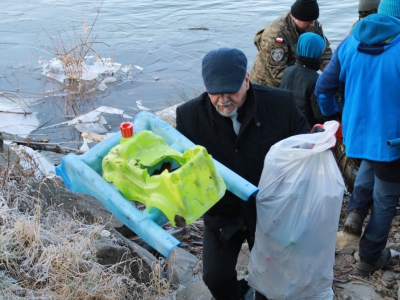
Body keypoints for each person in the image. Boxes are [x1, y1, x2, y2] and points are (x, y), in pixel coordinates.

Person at [176, 47, 310, 300]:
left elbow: (303, 145)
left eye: (231, 91)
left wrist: (316, 144)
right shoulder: (189, 117)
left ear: (247, 80)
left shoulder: (281, 104)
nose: (223, 99)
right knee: (214, 277)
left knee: (271, 281)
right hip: (223, 212)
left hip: (270, 211)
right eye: (215, 93)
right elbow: (180, 165)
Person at [315, 0, 400, 276]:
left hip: (356, 134)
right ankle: (368, 258)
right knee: (386, 200)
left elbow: (323, 88)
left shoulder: (351, 42)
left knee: (368, 165)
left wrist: (336, 117)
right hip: (392, 139)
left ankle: (354, 213)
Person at [250, 0, 332, 88]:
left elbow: (324, 52)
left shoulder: (312, 24)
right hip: (268, 85)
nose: (312, 24)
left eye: (314, 20)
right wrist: (310, 83)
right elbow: (278, 72)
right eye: (308, 21)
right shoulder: (276, 34)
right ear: (296, 17)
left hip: (298, 74)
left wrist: (331, 74)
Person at [280, 32, 325, 127]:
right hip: (305, 128)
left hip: (287, 124)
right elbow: (319, 115)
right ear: (316, 52)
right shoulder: (315, 79)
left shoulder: (287, 70)